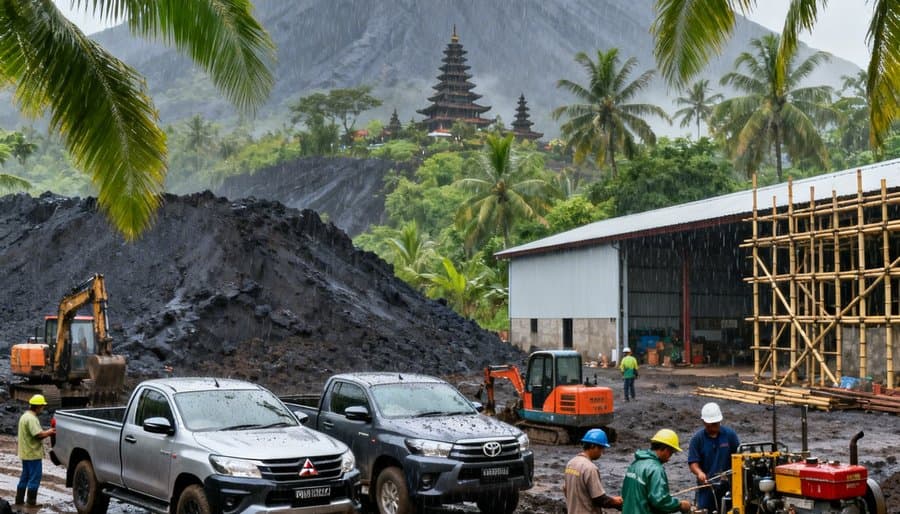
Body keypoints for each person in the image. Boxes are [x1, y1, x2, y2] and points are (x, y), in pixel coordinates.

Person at [621, 429, 692, 514]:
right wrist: (680, 505)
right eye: (671, 453)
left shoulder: (635, 464)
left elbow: (625, 493)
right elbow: (659, 500)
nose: (669, 458)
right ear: (665, 449)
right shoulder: (656, 469)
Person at [688, 402, 740, 513]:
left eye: (716, 423)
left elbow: (738, 456)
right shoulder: (697, 439)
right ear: (704, 422)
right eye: (711, 424)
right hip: (707, 487)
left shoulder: (730, 435)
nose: (714, 426)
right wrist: (699, 473)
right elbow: (693, 462)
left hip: (729, 487)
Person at [563, 428, 623, 514]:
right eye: (601, 448)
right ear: (592, 446)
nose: (602, 453)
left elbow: (566, 490)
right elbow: (599, 499)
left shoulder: (571, 463)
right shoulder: (590, 468)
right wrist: (615, 501)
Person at [16, 394, 56, 509]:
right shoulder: (32, 419)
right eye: (42, 406)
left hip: (25, 453)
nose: (43, 408)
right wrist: (50, 432)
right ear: (38, 406)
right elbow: (38, 435)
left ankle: (19, 500)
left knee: (25, 477)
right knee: (34, 478)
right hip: (33, 454)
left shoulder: (24, 416)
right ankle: (31, 503)